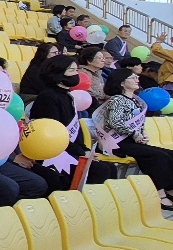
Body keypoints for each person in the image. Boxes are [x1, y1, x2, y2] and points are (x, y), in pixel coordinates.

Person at [95, 68, 173, 210]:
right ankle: (160, 194)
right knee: (156, 157)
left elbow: (139, 123)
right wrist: (133, 133)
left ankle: (171, 190)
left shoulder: (136, 100)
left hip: (132, 141)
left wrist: (143, 134)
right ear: (122, 83)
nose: (137, 79)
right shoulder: (117, 100)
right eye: (132, 77)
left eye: (136, 77)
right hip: (118, 143)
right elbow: (114, 122)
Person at [21, 54, 113, 192]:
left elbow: (75, 132)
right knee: (100, 170)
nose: (77, 74)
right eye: (72, 70)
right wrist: (82, 153)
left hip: (69, 149)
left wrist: (85, 150)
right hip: (54, 152)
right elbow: (54, 136)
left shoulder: (67, 96)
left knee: (110, 168)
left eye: (76, 70)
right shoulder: (48, 98)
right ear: (57, 74)